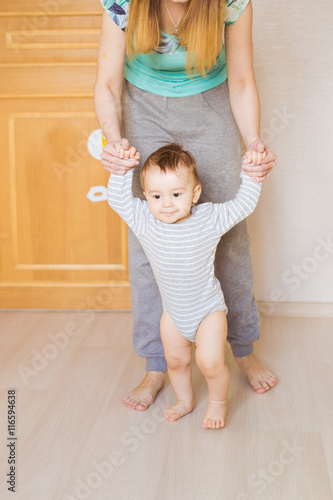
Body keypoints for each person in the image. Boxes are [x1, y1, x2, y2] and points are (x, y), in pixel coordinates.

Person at [94, 0, 278, 411]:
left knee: (227, 234)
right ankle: (156, 363)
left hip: (210, 105)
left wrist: (254, 145)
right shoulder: (120, 4)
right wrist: (115, 141)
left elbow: (243, 80)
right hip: (141, 106)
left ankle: (243, 348)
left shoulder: (232, 3)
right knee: (149, 236)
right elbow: (107, 84)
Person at [107, 143, 262, 428]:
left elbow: (243, 205)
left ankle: (218, 402)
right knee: (176, 362)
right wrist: (120, 170)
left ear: (195, 194)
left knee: (210, 362)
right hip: (173, 314)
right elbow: (117, 199)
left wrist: (253, 174)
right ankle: (185, 400)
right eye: (156, 196)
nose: (166, 203)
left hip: (208, 311)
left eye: (176, 194)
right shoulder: (144, 221)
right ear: (146, 197)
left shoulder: (209, 218)